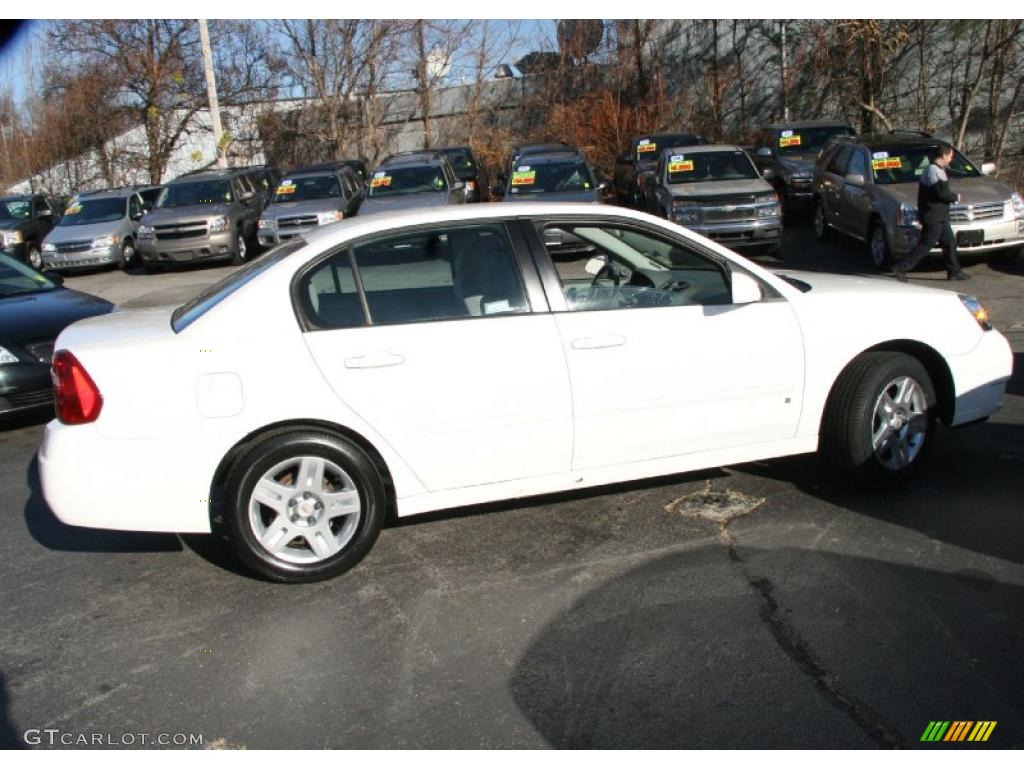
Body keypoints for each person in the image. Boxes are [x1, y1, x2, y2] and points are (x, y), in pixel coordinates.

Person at [893, 142, 969, 281]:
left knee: (949, 243)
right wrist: (955, 197)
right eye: (951, 156)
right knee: (926, 245)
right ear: (944, 155)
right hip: (932, 215)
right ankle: (901, 268)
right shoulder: (933, 171)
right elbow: (940, 194)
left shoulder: (939, 170)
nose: (951, 159)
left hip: (940, 215)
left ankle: (954, 271)